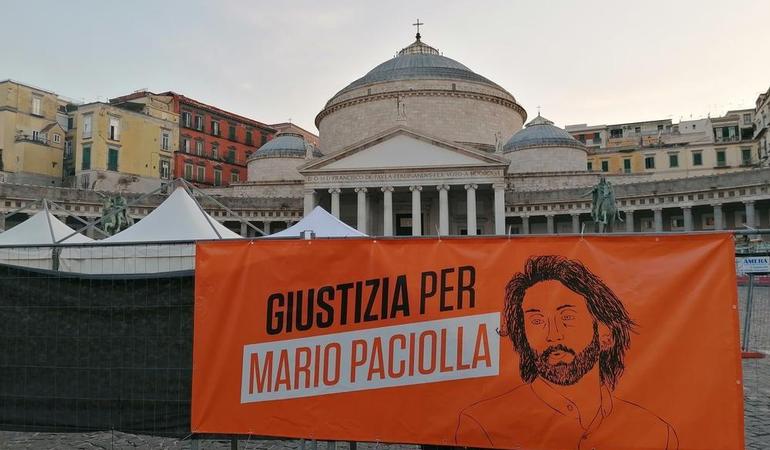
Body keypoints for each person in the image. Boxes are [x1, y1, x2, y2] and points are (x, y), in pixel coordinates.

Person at [455, 255, 678, 450]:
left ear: (605, 333)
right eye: (537, 321)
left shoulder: (658, 433)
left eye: (568, 318)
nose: (553, 335)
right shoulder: (482, 424)